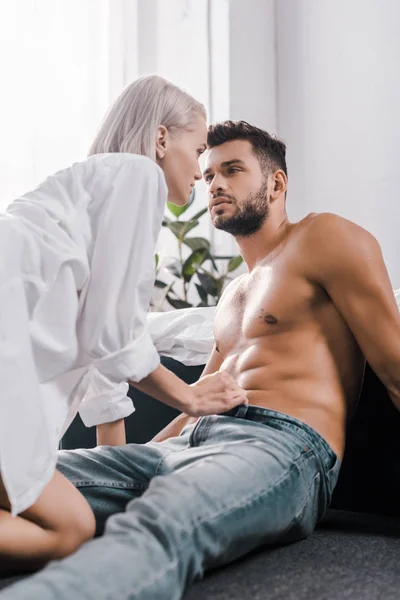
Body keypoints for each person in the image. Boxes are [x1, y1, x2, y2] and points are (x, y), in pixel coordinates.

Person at [2, 120, 400, 600]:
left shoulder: (326, 236)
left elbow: (394, 368)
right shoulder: (233, 294)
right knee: (26, 474)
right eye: (208, 175)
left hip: (278, 445)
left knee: (163, 520)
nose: (215, 185)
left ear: (277, 182)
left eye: (232, 170)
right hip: (188, 444)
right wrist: (131, 459)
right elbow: (200, 398)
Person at [0, 81, 247, 572]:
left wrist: (114, 467)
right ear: (160, 140)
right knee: (70, 528)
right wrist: (191, 398)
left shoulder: (88, 189)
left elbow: (98, 344)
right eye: (197, 150)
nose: (201, 173)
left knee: (60, 522)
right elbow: (112, 337)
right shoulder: (137, 176)